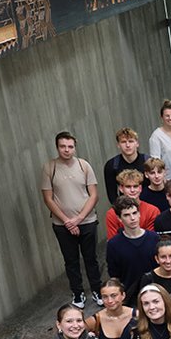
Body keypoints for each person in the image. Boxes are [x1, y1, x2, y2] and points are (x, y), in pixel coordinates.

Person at [43, 132, 102, 309]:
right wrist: (67, 221)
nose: (66, 150)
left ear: (75, 147)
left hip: (87, 221)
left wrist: (79, 218)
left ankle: (97, 290)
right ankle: (78, 293)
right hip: (62, 225)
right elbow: (48, 198)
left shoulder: (84, 166)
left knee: (91, 258)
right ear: (57, 147)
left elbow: (94, 195)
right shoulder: (50, 167)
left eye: (70, 146)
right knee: (71, 260)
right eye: (63, 146)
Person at [106, 198, 159, 295]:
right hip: (129, 295)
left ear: (139, 214)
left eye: (134, 213)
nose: (132, 218)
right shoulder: (114, 244)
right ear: (119, 218)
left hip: (155, 292)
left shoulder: (154, 238)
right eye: (126, 215)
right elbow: (114, 275)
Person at [103, 127, 149, 205]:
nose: (127, 145)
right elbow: (112, 194)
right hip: (125, 207)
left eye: (131, 141)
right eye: (123, 142)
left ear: (137, 143)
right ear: (118, 145)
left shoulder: (147, 161)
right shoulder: (112, 165)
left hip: (149, 204)